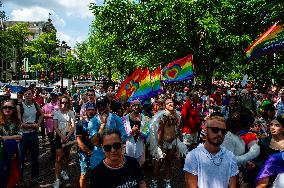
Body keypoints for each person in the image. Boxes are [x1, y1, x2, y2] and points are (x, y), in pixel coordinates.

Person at [183, 116, 238, 188]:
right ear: (205, 130)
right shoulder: (193, 156)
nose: (219, 134)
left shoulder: (230, 156)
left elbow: (232, 185)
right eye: (215, 130)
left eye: (223, 132)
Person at [149, 98, 187, 188]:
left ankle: (167, 180)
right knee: (159, 163)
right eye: (168, 102)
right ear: (165, 106)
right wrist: (159, 145)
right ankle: (154, 181)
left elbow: (176, 129)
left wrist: (177, 141)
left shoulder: (176, 115)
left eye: (171, 102)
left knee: (169, 162)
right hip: (163, 143)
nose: (170, 103)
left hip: (173, 142)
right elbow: (159, 131)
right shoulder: (163, 116)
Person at [88, 96, 127, 169]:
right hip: (98, 157)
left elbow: (123, 137)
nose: (101, 108)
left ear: (108, 104)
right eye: (99, 106)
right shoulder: (93, 121)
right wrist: (102, 126)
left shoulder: (116, 119)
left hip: (115, 156)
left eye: (103, 105)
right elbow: (94, 142)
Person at [17, 87, 44, 185]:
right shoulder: (19, 106)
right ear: (23, 96)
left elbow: (42, 114)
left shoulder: (36, 105)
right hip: (23, 135)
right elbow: (19, 123)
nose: (27, 96)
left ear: (33, 95)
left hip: (33, 134)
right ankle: (19, 179)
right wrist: (33, 125)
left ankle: (35, 177)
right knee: (21, 158)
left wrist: (39, 123)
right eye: (26, 94)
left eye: (29, 94)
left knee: (34, 157)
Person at [53, 96, 76, 188]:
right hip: (59, 137)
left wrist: (68, 136)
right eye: (62, 102)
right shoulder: (56, 113)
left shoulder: (71, 113)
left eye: (66, 102)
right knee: (58, 158)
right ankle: (57, 179)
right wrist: (62, 136)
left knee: (67, 156)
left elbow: (73, 126)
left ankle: (64, 171)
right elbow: (55, 127)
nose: (64, 104)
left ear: (68, 103)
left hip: (68, 136)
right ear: (59, 103)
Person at [254, 116, 284, 187]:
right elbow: (258, 161)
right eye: (271, 125)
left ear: (283, 128)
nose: (272, 127)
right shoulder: (263, 142)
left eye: (277, 125)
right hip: (267, 180)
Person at [0, 100, 22, 188]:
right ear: (2, 109)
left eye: (10, 108)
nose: (7, 109)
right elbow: (16, 137)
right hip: (1, 152)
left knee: (11, 170)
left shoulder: (17, 121)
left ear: (14, 110)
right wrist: (13, 137)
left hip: (12, 152)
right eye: (5, 107)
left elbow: (20, 136)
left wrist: (4, 138)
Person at [76, 102, 96, 188]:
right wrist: (88, 151)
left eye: (93, 110)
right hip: (83, 153)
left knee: (95, 174)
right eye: (89, 110)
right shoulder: (80, 123)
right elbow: (79, 141)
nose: (91, 111)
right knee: (84, 174)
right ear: (85, 111)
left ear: (96, 111)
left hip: (96, 152)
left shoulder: (98, 123)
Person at [124, 100, 149, 165]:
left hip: (140, 147)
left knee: (139, 166)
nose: (136, 107)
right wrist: (132, 131)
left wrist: (139, 133)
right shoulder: (125, 119)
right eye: (134, 105)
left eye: (138, 105)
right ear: (131, 107)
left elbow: (147, 134)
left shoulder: (145, 119)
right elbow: (123, 135)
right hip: (129, 147)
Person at [42, 92, 60, 160]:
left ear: (57, 96)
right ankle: (53, 154)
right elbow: (41, 114)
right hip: (49, 127)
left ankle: (59, 154)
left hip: (59, 127)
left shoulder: (60, 104)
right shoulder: (46, 105)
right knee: (51, 141)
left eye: (54, 96)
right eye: (52, 96)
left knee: (58, 141)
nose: (53, 97)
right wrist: (48, 115)